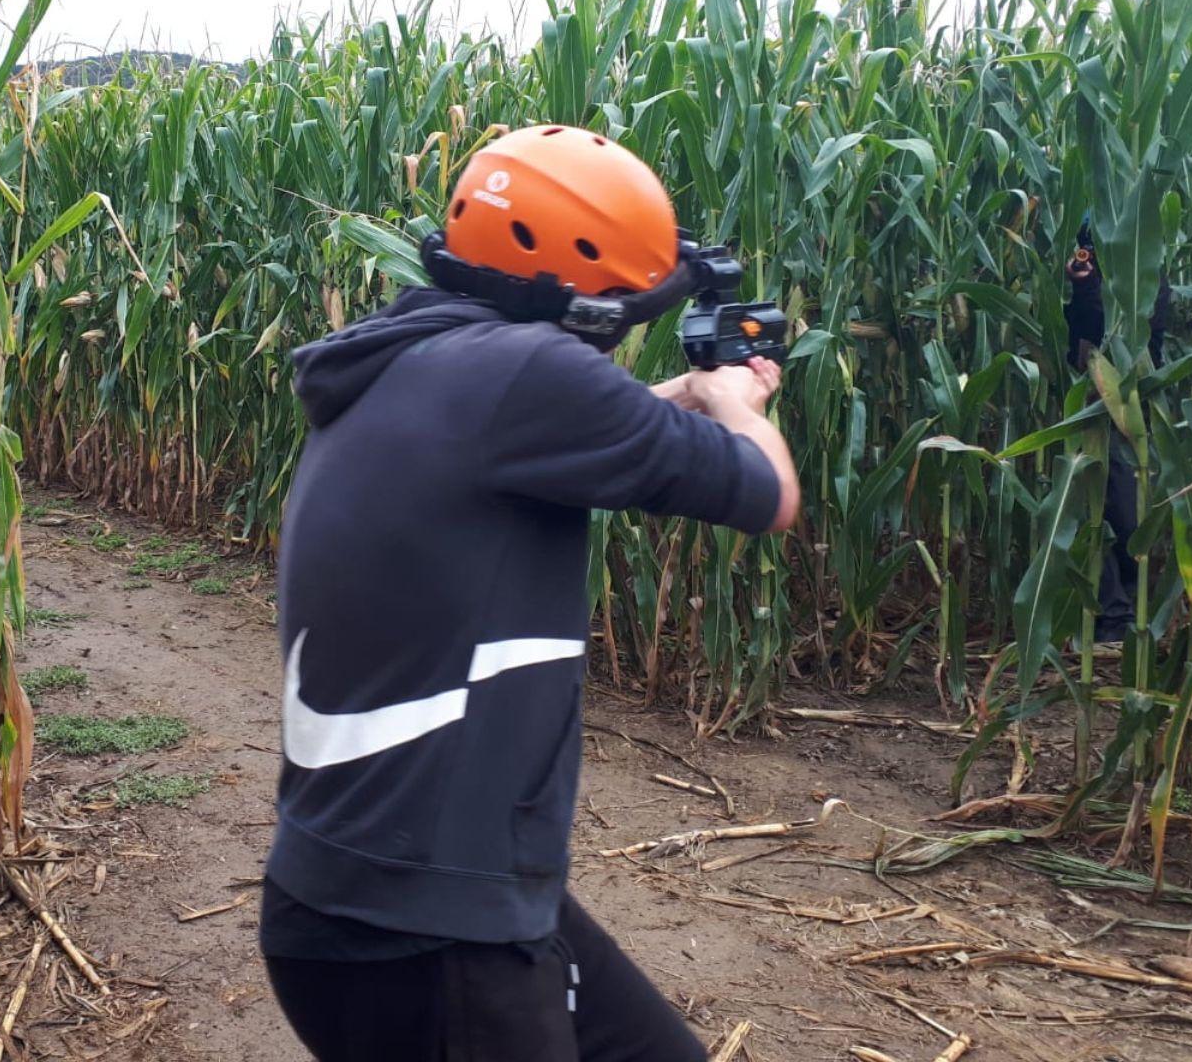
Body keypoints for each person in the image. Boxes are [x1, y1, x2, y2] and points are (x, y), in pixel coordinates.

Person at [257, 124, 800, 1061]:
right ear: (587, 306)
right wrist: (739, 404)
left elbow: (574, 428)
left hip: (393, 888)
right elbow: (768, 494)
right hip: (417, 930)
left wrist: (687, 397)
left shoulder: (417, 357)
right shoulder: (530, 376)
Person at [1063, 219, 1171, 648]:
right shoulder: (1085, 270)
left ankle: (1131, 615)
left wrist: (1090, 292)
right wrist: (1083, 288)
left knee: (1128, 515)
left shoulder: (1149, 271)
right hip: (1090, 401)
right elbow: (1082, 335)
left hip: (1135, 402)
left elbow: (1145, 323)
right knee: (1097, 509)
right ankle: (1112, 618)